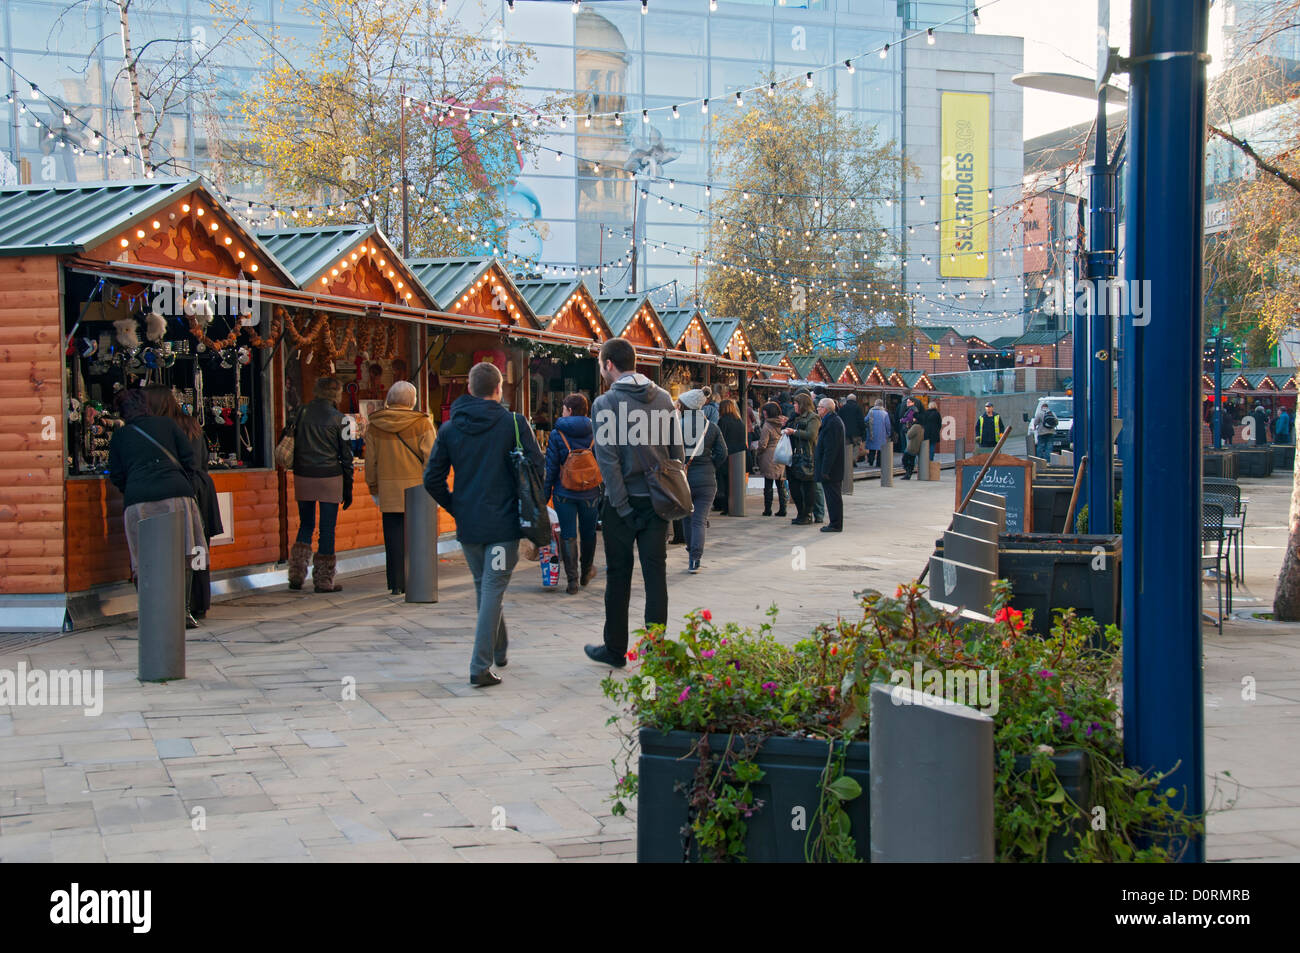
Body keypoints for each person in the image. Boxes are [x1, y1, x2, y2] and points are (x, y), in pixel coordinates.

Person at [424, 361, 544, 687]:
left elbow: (431, 478)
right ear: (499, 389)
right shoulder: (514, 425)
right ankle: (480, 665)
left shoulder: (449, 428)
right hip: (504, 526)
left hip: (470, 526)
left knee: (486, 587)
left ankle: (499, 647)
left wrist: (455, 507)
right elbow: (538, 468)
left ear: (469, 389)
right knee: (491, 588)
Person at [585, 339, 683, 668]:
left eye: (601, 364)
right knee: (656, 575)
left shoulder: (605, 404)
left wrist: (623, 506)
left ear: (609, 365)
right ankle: (655, 650)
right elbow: (676, 454)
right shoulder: (664, 399)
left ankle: (615, 650)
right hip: (658, 500)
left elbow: (608, 461)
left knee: (618, 576)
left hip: (622, 504)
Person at [108, 386, 205, 629]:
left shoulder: (121, 435)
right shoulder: (167, 425)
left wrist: (132, 485)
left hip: (139, 499)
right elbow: (190, 460)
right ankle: (182, 611)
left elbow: (116, 474)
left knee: (143, 557)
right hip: (176, 494)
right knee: (185, 553)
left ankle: (151, 613)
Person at [144, 385, 222, 622]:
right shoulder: (190, 423)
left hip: (176, 489)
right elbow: (203, 458)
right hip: (201, 487)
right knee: (198, 546)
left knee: (173, 549)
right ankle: (199, 601)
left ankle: (178, 602)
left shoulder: (156, 429)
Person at [365, 381, 436, 596]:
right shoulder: (422, 423)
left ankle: (396, 583)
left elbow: (371, 462)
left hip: (388, 488)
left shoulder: (375, 424)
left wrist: (374, 486)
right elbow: (431, 458)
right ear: (412, 401)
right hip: (416, 488)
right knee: (415, 537)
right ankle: (415, 580)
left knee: (393, 535)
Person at [288, 377, 353, 593]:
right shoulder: (341, 419)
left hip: (303, 474)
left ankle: (296, 574)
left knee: (306, 524)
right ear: (336, 394)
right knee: (327, 529)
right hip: (330, 477)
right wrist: (349, 486)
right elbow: (346, 455)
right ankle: (324, 580)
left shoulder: (301, 412)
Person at [542, 392, 602, 594]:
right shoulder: (597, 431)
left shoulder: (557, 434)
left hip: (563, 493)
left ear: (569, 410)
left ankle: (572, 581)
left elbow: (550, 468)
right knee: (588, 533)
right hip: (591, 493)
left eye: (563, 408)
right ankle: (586, 572)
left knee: (568, 535)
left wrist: (544, 496)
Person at [675, 389, 728, 573]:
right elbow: (722, 453)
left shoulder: (677, 426)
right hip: (706, 479)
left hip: (683, 479)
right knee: (699, 519)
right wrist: (711, 465)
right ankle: (695, 558)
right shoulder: (711, 427)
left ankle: (691, 550)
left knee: (687, 518)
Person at [783, 391, 820, 525]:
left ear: (802, 404)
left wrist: (794, 432)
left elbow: (811, 434)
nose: (794, 406)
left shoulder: (813, 418)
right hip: (793, 455)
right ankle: (800, 513)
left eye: (796, 404)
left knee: (808, 485)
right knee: (794, 486)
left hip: (806, 455)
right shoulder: (794, 417)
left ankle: (807, 514)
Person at [814, 397, 845, 533]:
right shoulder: (831, 421)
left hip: (832, 469)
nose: (817, 409)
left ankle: (835, 523)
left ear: (825, 409)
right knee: (832, 496)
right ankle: (835, 522)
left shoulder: (832, 423)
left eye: (819, 407)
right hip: (831, 467)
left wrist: (825, 469)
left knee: (833, 497)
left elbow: (830, 449)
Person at [714, 398, 747, 515]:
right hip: (739, 455)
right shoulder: (740, 421)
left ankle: (725, 506)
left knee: (724, 481)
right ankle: (733, 505)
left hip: (727, 454)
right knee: (734, 482)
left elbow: (719, 439)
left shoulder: (723, 421)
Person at [755, 401, 788, 516]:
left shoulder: (767, 425)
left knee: (768, 484)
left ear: (767, 413)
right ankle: (783, 509)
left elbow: (763, 444)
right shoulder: (783, 422)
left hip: (769, 456)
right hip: (781, 454)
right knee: (781, 484)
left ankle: (767, 509)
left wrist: (758, 453)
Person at [840, 393, 866, 465]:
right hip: (856, 432)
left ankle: (847, 461)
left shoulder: (842, 408)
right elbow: (861, 420)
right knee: (856, 447)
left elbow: (839, 420)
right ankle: (853, 460)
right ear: (855, 400)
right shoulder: (858, 408)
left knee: (847, 447)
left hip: (845, 432)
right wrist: (862, 430)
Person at [865, 398, 891, 467]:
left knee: (872, 448)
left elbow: (865, 420)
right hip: (881, 434)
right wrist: (888, 433)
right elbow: (887, 424)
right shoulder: (885, 413)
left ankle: (871, 461)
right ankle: (879, 463)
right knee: (880, 449)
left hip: (872, 432)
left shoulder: (871, 412)